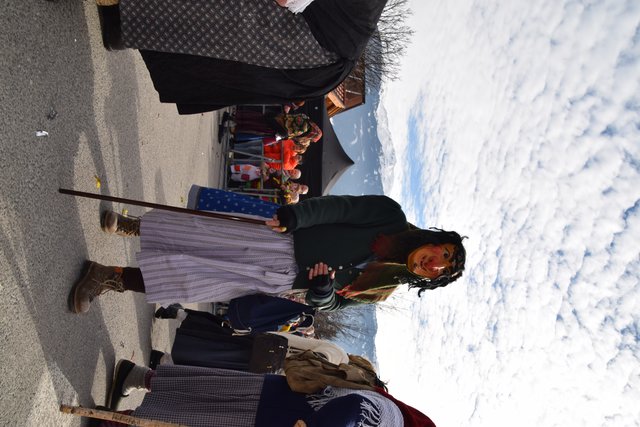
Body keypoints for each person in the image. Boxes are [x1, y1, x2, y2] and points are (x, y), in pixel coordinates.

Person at [70, 195, 466, 313]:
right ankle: (134, 226)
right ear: (436, 240)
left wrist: (323, 291)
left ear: (430, 279)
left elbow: (331, 305)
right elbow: (339, 208)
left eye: (441, 270)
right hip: (282, 240)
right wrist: (296, 215)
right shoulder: (391, 215)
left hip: (279, 278)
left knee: (191, 281)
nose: (435, 263)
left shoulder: (381, 290)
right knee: (199, 235)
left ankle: (108, 277)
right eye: (444, 253)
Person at [96, 0, 388, 113]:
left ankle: (123, 20)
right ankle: (123, 24)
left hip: (317, 49)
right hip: (323, 56)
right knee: (217, 34)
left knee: (222, 18)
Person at [100, 362, 436, 426]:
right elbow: (357, 407)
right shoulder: (396, 421)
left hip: (276, 402)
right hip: (274, 411)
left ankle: (138, 380)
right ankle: (119, 420)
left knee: (203, 393)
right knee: (197, 411)